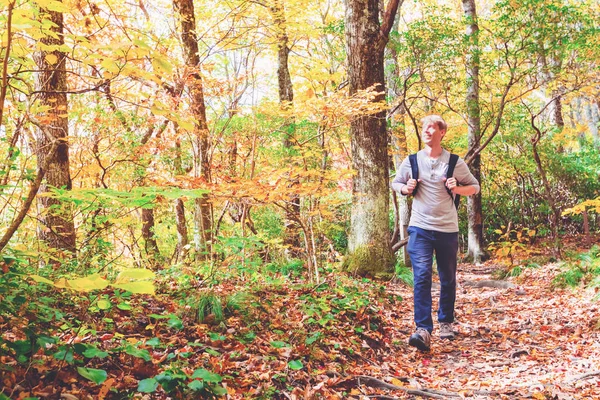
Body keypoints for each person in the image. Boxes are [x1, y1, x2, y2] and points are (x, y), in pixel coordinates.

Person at [392, 115, 480, 352]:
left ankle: (446, 322)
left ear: (442, 132)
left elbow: (475, 187)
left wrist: (456, 187)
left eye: (431, 127)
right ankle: (423, 329)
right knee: (421, 276)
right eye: (424, 128)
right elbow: (395, 182)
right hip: (420, 227)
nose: (426, 131)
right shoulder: (412, 160)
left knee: (448, 277)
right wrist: (405, 188)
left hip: (447, 229)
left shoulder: (454, 162)